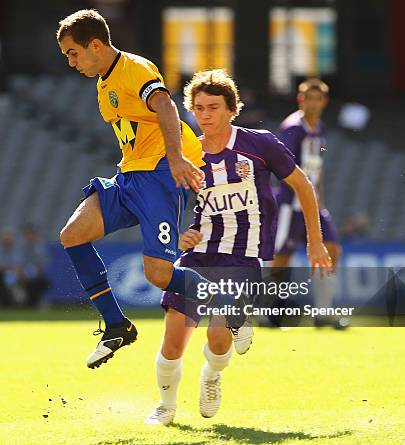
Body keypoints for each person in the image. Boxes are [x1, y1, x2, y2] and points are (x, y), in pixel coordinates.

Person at [145, 69, 332, 425]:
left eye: (213, 107)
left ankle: (211, 376)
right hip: (197, 256)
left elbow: (303, 186)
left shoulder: (259, 144)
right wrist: (181, 235)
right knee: (173, 341)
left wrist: (315, 240)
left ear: (232, 109)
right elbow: (173, 208)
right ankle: (166, 405)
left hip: (242, 255)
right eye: (198, 108)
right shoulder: (187, 153)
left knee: (218, 339)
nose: (205, 114)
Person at [57, 10, 225, 369]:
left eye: (73, 52)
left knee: (158, 275)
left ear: (96, 46)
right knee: (72, 235)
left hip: (161, 173)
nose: (71, 62)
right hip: (131, 175)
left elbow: (164, 103)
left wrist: (177, 158)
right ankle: (117, 325)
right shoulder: (104, 84)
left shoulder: (135, 68)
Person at [272, 79, 346, 329]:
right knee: (280, 257)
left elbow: (318, 167)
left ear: (324, 101)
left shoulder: (320, 128)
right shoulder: (293, 128)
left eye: (317, 98)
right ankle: (265, 311)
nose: (312, 103)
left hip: (313, 204)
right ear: (300, 100)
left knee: (332, 250)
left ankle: (323, 311)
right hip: (291, 205)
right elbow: (283, 168)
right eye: (307, 98)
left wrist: (319, 201)